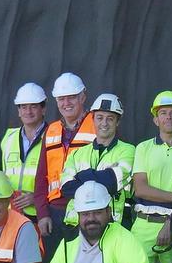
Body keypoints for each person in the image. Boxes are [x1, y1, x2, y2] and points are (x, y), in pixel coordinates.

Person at [57, 92, 134, 225]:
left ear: (117, 122)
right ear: (92, 119)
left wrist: (81, 176)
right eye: (99, 117)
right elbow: (66, 187)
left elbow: (112, 182)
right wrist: (103, 176)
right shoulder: (77, 154)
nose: (104, 123)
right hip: (75, 224)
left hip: (112, 225)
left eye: (110, 118)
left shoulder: (129, 151)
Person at [130, 90, 172, 259]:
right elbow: (140, 189)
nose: (168, 117)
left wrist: (171, 222)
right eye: (163, 113)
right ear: (156, 119)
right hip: (143, 224)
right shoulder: (143, 148)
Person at [38, 72, 95, 243]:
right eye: (61, 99)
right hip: (55, 212)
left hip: (87, 209)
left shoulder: (99, 124)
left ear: (82, 97)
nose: (66, 103)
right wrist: (42, 214)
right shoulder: (51, 130)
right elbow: (41, 176)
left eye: (72, 98)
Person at [0, 82, 50, 228]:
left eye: (33, 106)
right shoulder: (8, 137)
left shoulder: (54, 136)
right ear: (19, 110)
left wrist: (38, 198)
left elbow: (60, 179)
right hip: (11, 215)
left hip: (40, 217)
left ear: (43, 109)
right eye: (23, 106)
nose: (28, 111)